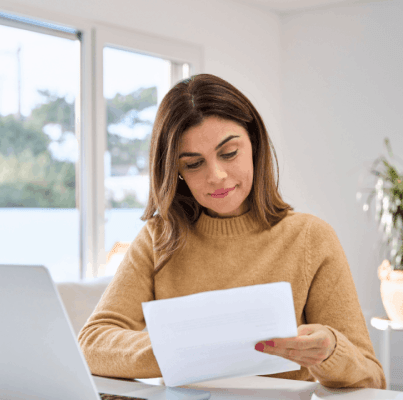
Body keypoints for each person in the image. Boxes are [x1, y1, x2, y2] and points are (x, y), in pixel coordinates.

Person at [77, 74, 386, 389]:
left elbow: (372, 377)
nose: (217, 176)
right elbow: (91, 343)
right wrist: (181, 351)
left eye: (229, 153)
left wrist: (330, 350)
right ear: (177, 173)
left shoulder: (310, 237)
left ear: (254, 143)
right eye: (194, 164)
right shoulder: (160, 237)